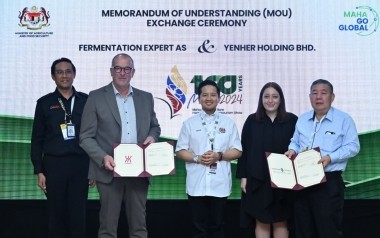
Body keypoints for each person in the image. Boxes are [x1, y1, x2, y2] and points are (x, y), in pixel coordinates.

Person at [79, 53, 160, 238]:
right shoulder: (96, 97)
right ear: (111, 71)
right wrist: (102, 157)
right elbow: (85, 137)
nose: (122, 72)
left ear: (133, 72)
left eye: (126, 69)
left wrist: (152, 138)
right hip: (109, 171)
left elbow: (155, 127)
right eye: (118, 68)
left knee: (139, 228)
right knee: (107, 228)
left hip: (139, 171)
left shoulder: (145, 98)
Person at [284, 79, 360, 238]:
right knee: (303, 229)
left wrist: (330, 158)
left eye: (323, 93)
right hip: (302, 182)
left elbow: (353, 146)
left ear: (332, 97)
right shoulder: (302, 119)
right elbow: (295, 142)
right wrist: (292, 150)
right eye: (314, 93)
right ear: (309, 96)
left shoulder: (344, 119)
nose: (318, 97)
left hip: (328, 182)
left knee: (328, 230)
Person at [30, 57, 90, 238]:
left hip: (81, 166)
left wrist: (94, 168)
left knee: (78, 215)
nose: (64, 76)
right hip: (54, 166)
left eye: (68, 71)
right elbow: (37, 139)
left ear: (74, 74)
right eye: (60, 72)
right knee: (55, 215)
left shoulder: (86, 101)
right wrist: (39, 170)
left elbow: (95, 136)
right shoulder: (44, 103)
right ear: (53, 76)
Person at [175, 79, 242, 238]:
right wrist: (198, 158)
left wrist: (219, 156)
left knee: (218, 227)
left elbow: (238, 150)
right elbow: (180, 151)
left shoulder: (229, 123)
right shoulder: (189, 124)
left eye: (213, 95)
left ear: (219, 98)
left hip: (220, 184)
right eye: (205, 95)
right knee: (198, 229)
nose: (209, 98)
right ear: (199, 98)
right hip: (196, 184)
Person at [236, 82, 297, 238]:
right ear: (261, 99)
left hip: (284, 180)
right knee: (261, 220)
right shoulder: (251, 121)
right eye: (266, 96)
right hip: (257, 180)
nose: (270, 100)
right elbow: (245, 150)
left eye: (275, 96)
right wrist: (244, 177)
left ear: (281, 99)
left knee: (281, 221)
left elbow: (298, 147)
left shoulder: (292, 120)